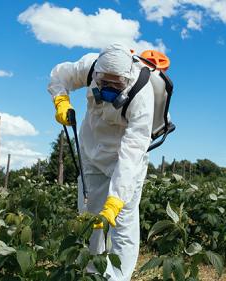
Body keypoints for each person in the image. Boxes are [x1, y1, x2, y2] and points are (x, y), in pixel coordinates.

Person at [47, 43, 154, 280]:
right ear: (96, 74)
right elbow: (59, 74)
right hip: (91, 151)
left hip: (124, 160)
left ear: (127, 79)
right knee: (91, 214)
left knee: (122, 224)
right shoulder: (89, 65)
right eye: (104, 82)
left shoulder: (142, 96)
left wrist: (115, 200)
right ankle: (92, 273)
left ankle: (117, 278)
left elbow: (132, 152)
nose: (109, 88)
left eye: (116, 84)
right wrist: (61, 100)